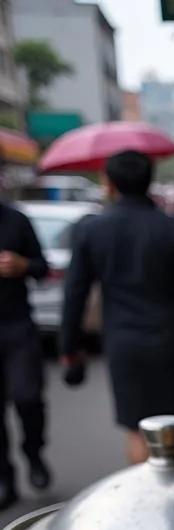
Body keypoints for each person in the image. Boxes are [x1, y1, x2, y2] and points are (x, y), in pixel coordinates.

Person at [59, 149, 174, 465]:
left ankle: (148, 505)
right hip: (172, 339)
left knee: (138, 429)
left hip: (124, 343)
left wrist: (69, 346)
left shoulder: (91, 230)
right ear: (149, 181)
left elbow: (74, 293)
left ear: (109, 184)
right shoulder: (172, 227)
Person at [0, 182, 51, 510]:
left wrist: (23, 265)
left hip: (17, 326)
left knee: (27, 397)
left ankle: (34, 451)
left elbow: (42, 267)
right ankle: (5, 478)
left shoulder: (16, 220)